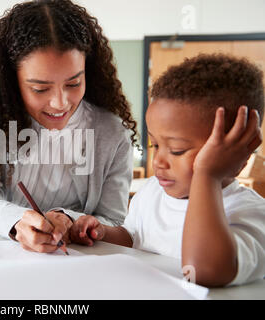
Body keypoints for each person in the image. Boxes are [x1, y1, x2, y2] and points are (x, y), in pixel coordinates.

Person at [0, 0, 138, 253]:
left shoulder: (112, 134)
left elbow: (114, 221)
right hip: (2, 257)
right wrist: (17, 222)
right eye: (40, 88)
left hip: (79, 266)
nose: (60, 103)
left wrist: (71, 220)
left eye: (74, 84)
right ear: (11, 81)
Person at [72, 53, 265, 287]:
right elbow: (133, 237)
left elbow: (203, 271)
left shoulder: (250, 213)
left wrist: (208, 176)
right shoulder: (153, 192)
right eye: (155, 145)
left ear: (239, 153)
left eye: (176, 150)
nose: (159, 161)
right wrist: (102, 233)